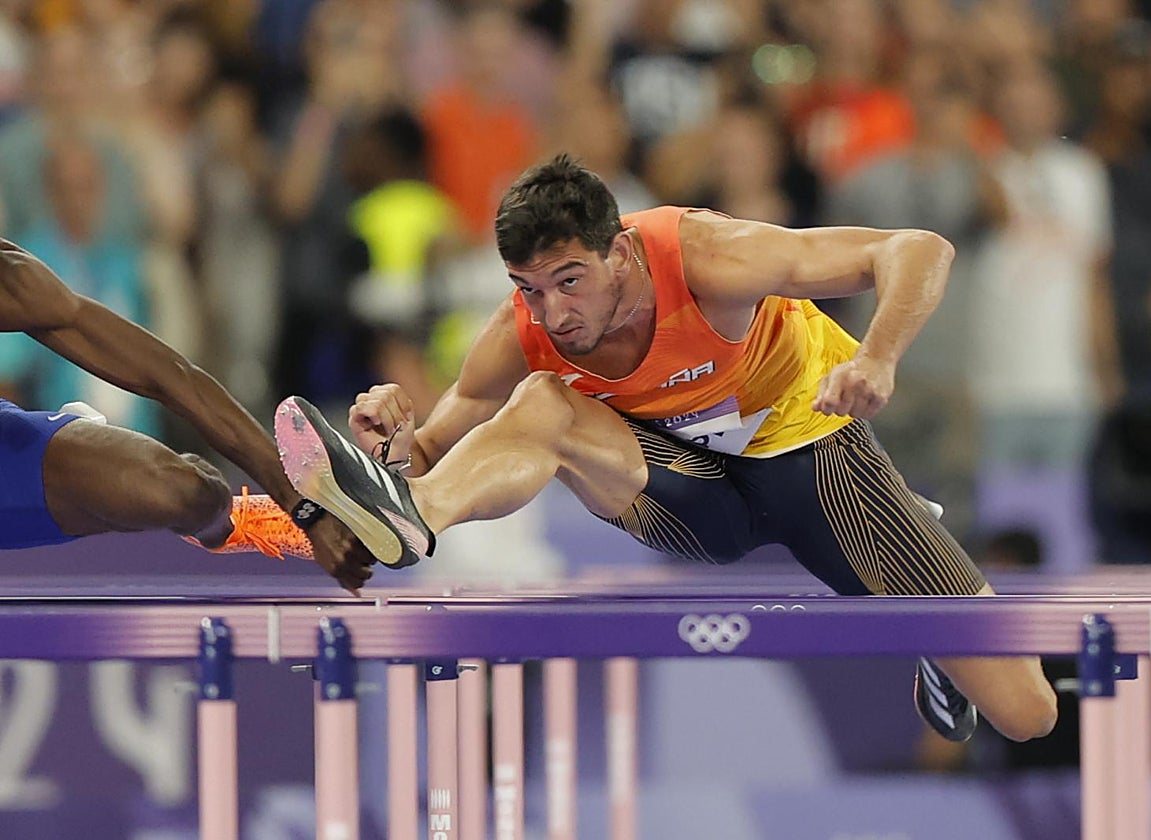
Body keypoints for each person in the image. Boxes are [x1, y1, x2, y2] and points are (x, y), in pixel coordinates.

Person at [274, 154, 1059, 743]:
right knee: (540, 403)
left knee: (1027, 714)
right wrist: (399, 448)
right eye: (528, 287)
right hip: (688, 497)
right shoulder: (525, 331)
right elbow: (442, 445)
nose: (551, 313)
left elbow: (918, 249)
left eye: (570, 281)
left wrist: (877, 357)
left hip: (815, 461)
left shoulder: (709, 254)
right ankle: (414, 523)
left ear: (619, 253)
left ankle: (926, 641)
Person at [0, 237, 375, 593]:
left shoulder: (12, 281)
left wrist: (301, 506)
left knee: (177, 489)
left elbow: (170, 376)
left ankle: (231, 521)